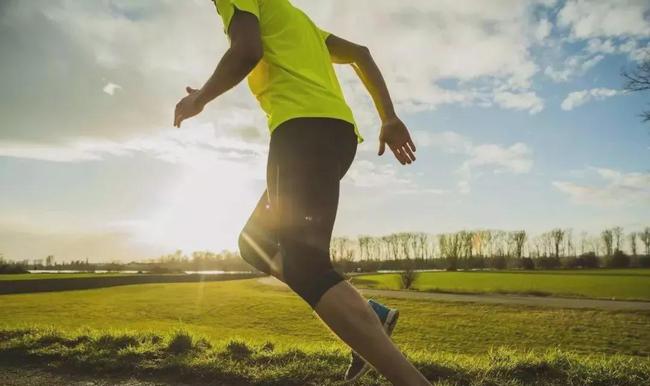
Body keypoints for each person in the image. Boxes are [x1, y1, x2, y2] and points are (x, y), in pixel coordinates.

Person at [174, 1, 430, 385]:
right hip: (335, 135)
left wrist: (200, 99)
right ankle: (370, 315)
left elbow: (246, 50)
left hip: (302, 132)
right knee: (254, 241)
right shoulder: (295, 19)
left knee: (305, 264)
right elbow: (361, 54)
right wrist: (388, 116)